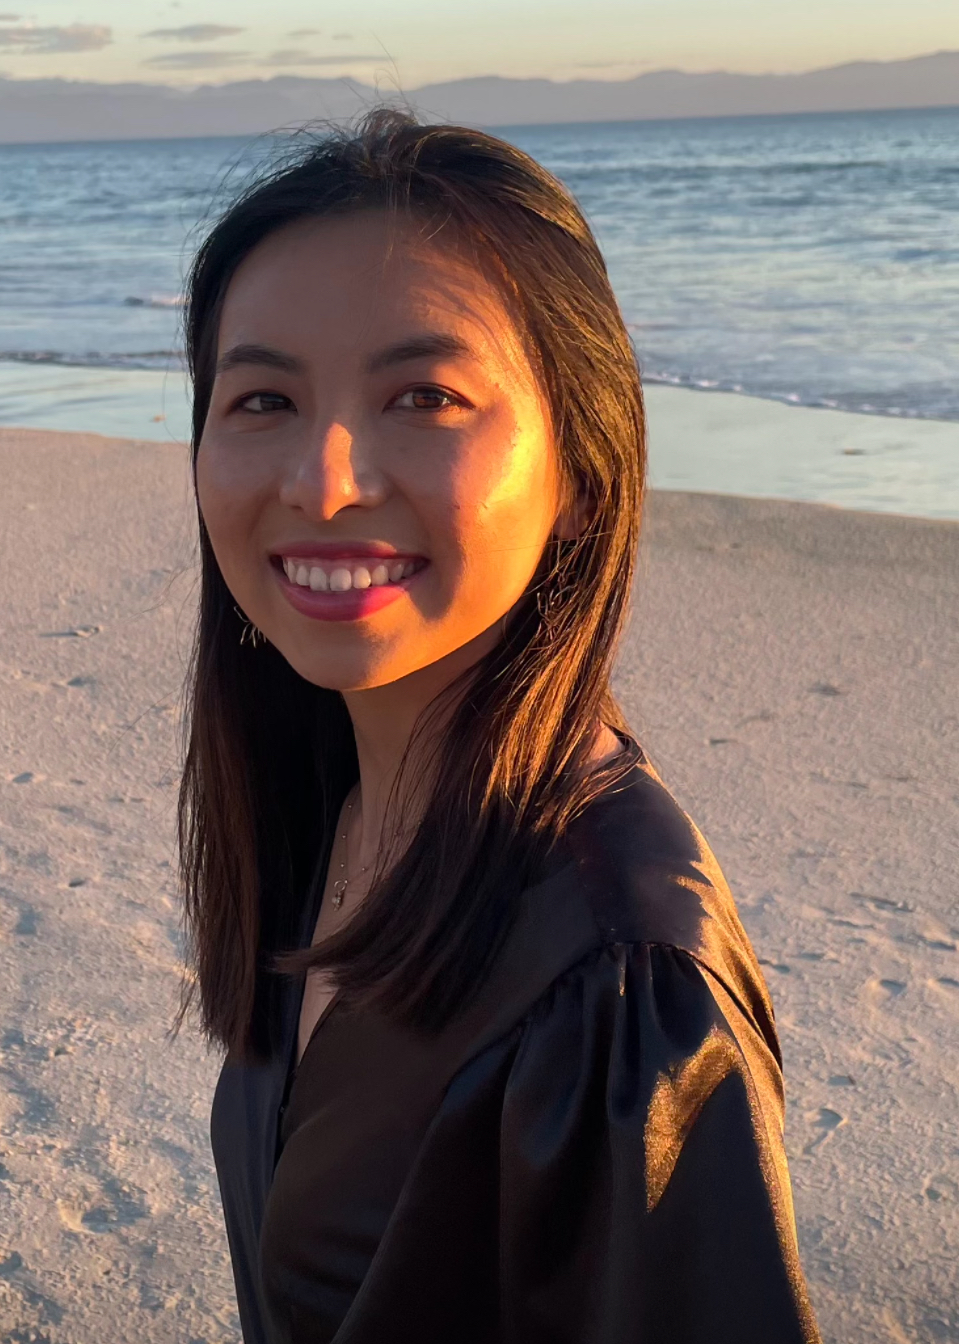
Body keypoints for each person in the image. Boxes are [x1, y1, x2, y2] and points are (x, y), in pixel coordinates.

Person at [177, 108, 821, 1344]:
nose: (325, 479)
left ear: (581, 470)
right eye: (263, 399)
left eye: (424, 393)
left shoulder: (622, 984)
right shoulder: (332, 795)